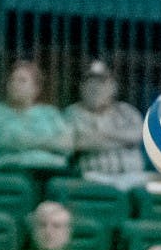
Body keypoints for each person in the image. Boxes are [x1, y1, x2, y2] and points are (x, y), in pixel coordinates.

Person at [0, 61, 73, 173]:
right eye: (11, 80)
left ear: (35, 88)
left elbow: (67, 145)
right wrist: (47, 143)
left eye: (22, 81)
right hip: (9, 170)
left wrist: (20, 142)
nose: (14, 84)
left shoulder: (50, 113)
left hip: (52, 169)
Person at [64, 61, 150, 189]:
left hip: (134, 178)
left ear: (113, 87)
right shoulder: (73, 112)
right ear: (82, 87)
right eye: (90, 82)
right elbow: (78, 142)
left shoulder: (127, 111)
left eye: (101, 82)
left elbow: (138, 136)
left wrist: (101, 135)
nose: (95, 87)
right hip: (93, 179)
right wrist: (122, 140)